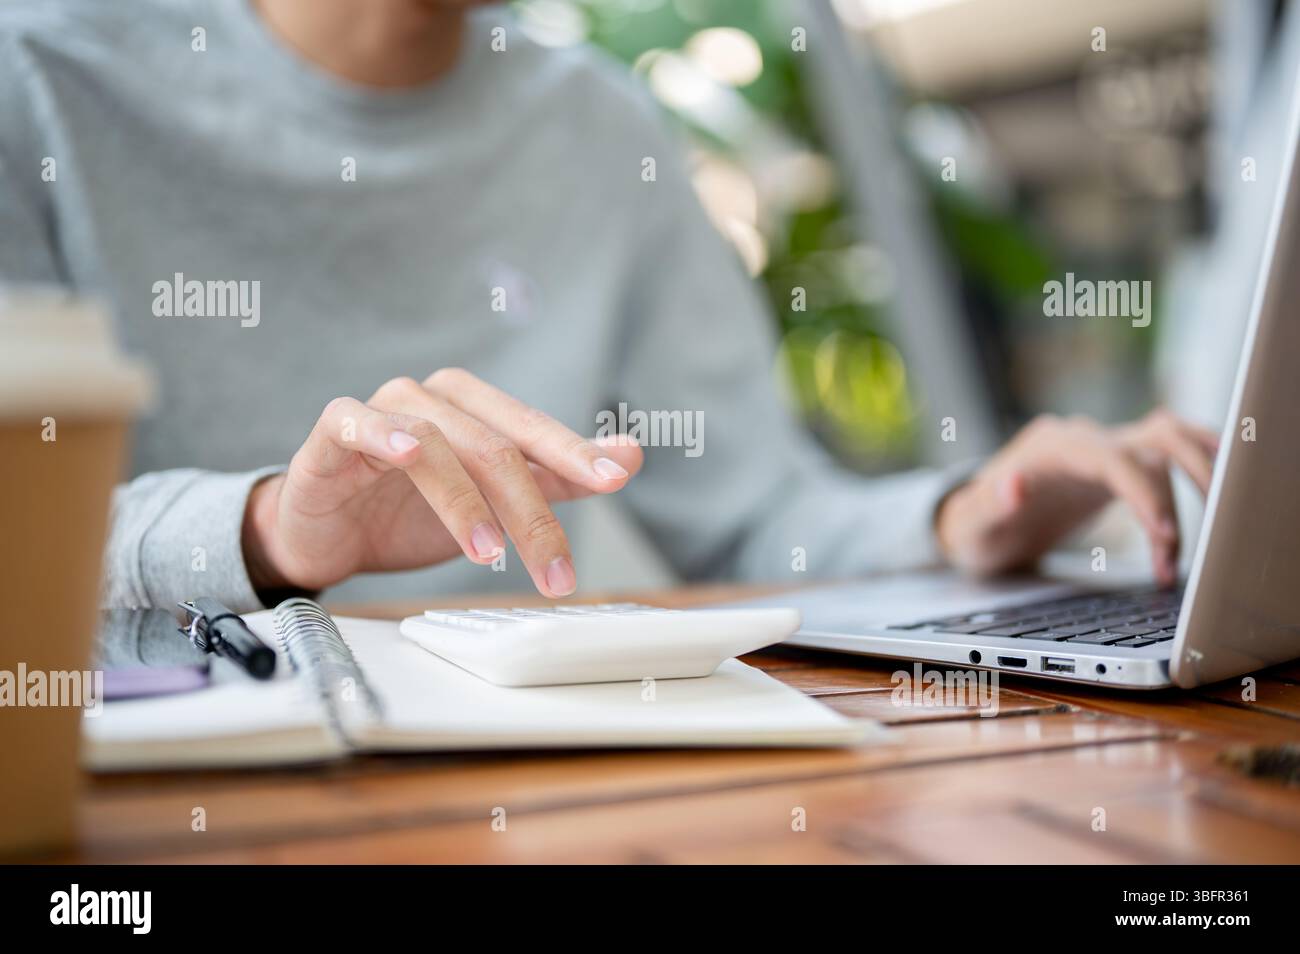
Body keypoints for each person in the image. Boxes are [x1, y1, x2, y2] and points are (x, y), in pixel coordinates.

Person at [0, 0, 1218, 612]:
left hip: (539, 782)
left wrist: (967, 513)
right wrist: (271, 530)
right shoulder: (39, 72)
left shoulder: (595, 124)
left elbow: (754, 519)